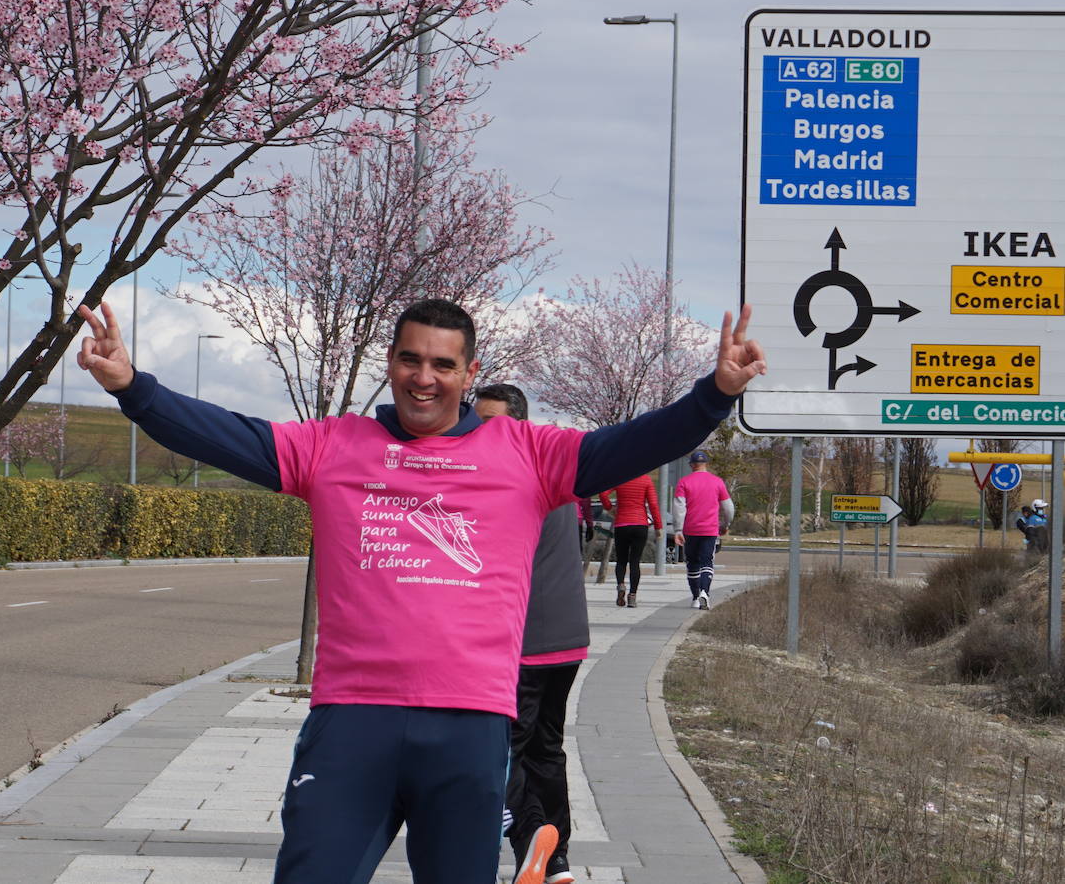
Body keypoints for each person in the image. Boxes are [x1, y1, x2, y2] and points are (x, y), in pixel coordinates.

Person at [77, 297, 765, 884]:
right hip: (352, 720)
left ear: (469, 374)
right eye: (411, 360)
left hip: (468, 727)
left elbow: (636, 443)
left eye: (443, 365)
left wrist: (714, 395)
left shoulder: (527, 453)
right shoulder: (330, 445)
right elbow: (222, 435)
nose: (424, 378)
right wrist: (132, 386)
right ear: (392, 364)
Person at [474, 383, 587, 884]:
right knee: (546, 750)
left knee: (499, 752)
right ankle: (557, 861)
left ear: (517, 422)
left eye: (489, 422)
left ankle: (529, 839)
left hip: (522, 641)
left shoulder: (503, 473)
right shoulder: (551, 465)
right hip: (568, 636)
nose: (479, 432)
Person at [673, 450, 734, 610]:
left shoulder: (684, 482)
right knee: (707, 562)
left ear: (692, 465)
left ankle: (694, 597)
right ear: (706, 464)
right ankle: (705, 592)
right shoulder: (718, 482)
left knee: (692, 563)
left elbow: (679, 507)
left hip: (690, 529)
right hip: (710, 529)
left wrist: (678, 529)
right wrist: (725, 524)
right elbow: (728, 507)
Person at [599, 472, 661, 608]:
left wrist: (610, 508)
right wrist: (658, 526)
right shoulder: (646, 480)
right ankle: (632, 596)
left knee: (621, 560)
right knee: (635, 561)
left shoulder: (620, 477)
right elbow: (653, 505)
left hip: (622, 524)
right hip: (640, 525)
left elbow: (602, 494)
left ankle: (621, 585)